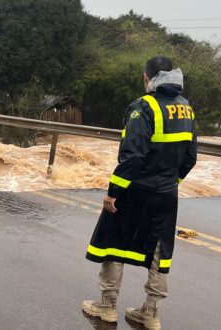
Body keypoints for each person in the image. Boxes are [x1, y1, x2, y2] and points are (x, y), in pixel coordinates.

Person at [81, 56, 197, 330]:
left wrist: (113, 193)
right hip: (166, 193)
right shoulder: (186, 109)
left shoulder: (143, 107)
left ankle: (107, 306)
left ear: (148, 78)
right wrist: (171, 182)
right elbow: (190, 157)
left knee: (113, 242)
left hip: (135, 190)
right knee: (160, 251)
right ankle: (151, 313)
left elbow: (132, 157)